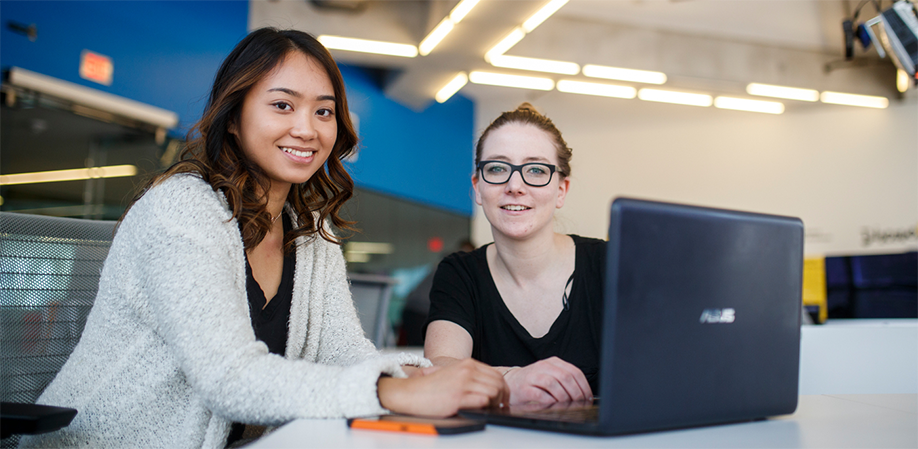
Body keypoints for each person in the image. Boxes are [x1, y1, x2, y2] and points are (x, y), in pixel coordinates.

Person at [19, 28, 506, 449]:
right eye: (282, 105)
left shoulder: (311, 229)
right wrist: (394, 392)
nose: (307, 128)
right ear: (233, 116)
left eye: (324, 112)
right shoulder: (183, 210)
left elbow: (349, 357)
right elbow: (227, 378)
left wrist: (481, 377)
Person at [424, 103, 606, 406]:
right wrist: (508, 380)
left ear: (561, 190)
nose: (515, 186)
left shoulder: (609, 264)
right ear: (478, 188)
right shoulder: (459, 273)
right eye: (497, 168)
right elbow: (438, 367)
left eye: (536, 170)